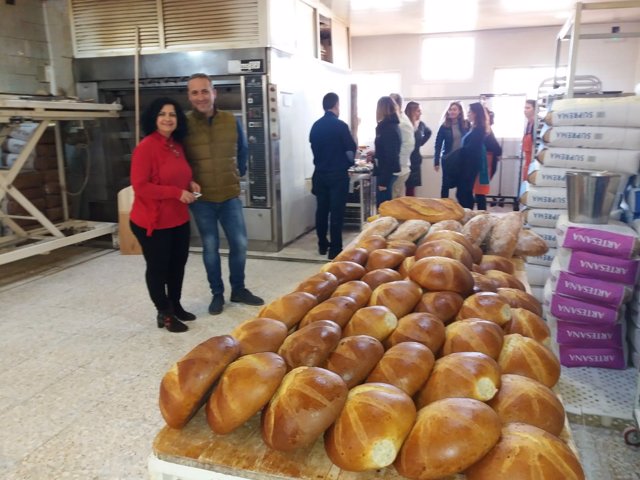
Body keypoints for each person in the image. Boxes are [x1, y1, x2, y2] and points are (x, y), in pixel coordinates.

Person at [184, 73, 264, 316]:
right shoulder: (184, 123)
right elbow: (179, 158)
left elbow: (243, 149)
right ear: (189, 96)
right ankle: (217, 293)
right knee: (210, 246)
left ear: (214, 93)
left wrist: (238, 172)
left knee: (239, 243)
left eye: (205, 91)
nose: (200, 97)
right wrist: (187, 180)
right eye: (195, 92)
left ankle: (238, 289)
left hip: (229, 195)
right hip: (202, 199)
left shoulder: (230, 120)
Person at [129, 97, 200, 333]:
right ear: (153, 118)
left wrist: (190, 183)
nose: (168, 118)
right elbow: (140, 186)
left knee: (177, 265)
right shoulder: (146, 147)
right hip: (153, 221)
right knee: (158, 268)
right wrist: (175, 192)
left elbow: (177, 174)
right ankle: (164, 313)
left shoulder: (176, 145)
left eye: (172, 114)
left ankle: (176, 305)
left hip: (178, 218)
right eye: (162, 114)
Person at [309, 92, 357, 260]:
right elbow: (351, 152)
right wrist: (350, 164)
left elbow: (314, 148)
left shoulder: (315, 126)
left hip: (320, 174)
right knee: (336, 212)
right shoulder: (341, 126)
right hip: (337, 176)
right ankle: (335, 249)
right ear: (336, 105)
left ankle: (322, 244)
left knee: (321, 210)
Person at [456, 102, 490, 209]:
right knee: (464, 193)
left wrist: (457, 153)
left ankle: (467, 214)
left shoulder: (479, 129)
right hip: (467, 165)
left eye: (469, 112)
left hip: (470, 166)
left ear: (475, 113)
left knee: (464, 193)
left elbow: (471, 149)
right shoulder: (474, 127)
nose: (468, 114)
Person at [434, 101, 469, 198]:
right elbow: (438, 144)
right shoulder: (444, 126)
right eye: (450, 109)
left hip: (461, 160)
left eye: (454, 109)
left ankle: (462, 207)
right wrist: (436, 161)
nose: (452, 112)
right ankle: (444, 207)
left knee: (461, 185)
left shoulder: (466, 125)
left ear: (460, 112)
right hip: (448, 159)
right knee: (445, 185)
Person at [372, 96, 401, 207]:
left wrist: (383, 181)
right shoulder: (390, 125)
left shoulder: (388, 128)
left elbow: (391, 156)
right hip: (385, 171)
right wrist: (375, 153)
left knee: (384, 207)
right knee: (384, 206)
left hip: (386, 173)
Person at [473, 110, 502, 210]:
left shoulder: (486, 131)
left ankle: (482, 216)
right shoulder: (482, 130)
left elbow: (498, 150)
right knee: (479, 194)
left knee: (480, 194)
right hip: (482, 165)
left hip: (484, 166)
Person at [389, 93, 415, 198]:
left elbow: (408, 146)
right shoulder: (396, 119)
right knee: (397, 199)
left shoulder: (402, 122)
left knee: (394, 202)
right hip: (398, 167)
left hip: (400, 168)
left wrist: (395, 160)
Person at [404, 101, 432, 197]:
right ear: (412, 111)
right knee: (402, 187)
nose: (420, 113)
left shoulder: (421, 124)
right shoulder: (405, 124)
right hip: (406, 159)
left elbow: (429, 132)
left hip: (415, 160)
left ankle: (410, 209)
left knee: (411, 188)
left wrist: (419, 143)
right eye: (418, 111)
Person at [522, 99, 536, 181]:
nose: (525, 110)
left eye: (528, 108)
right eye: (525, 108)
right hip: (527, 162)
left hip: (533, 162)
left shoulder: (536, 124)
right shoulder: (528, 124)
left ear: (535, 109)